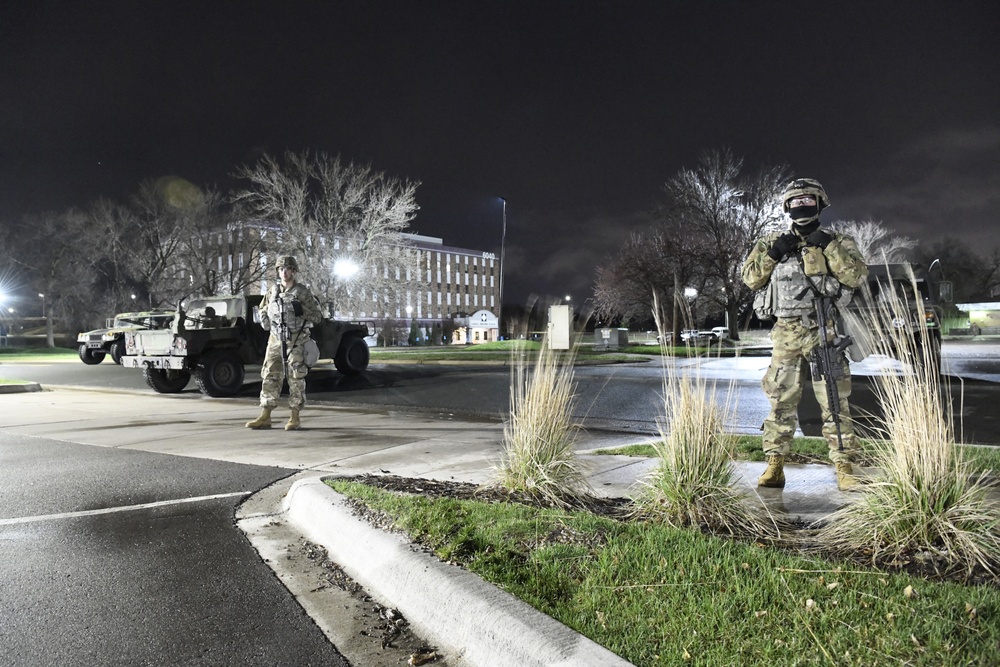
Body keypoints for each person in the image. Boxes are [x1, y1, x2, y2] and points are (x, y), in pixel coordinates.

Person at [741, 178, 868, 491]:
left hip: (823, 330)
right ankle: (775, 466)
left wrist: (829, 247)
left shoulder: (837, 239)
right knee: (780, 402)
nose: (802, 206)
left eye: (807, 200)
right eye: (795, 202)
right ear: (787, 207)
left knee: (835, 403)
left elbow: (856, 275)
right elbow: (750, 279)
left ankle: (844, 466)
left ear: (820, 203)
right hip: (785, 333)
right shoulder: (771, 241)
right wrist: (773, 252)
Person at [245, 255, 323, 431]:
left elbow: (317, 317)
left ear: (293, 271)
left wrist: (301, 310)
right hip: (275, 339)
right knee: (270, 374)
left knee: (296, 377)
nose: (284, 272)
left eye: (287, 269)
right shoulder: (273, 291)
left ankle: (294, 416)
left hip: (296, 339)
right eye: (281, 269)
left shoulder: (302, 292)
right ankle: (265, 415)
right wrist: (264, 319)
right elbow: (263, 308)